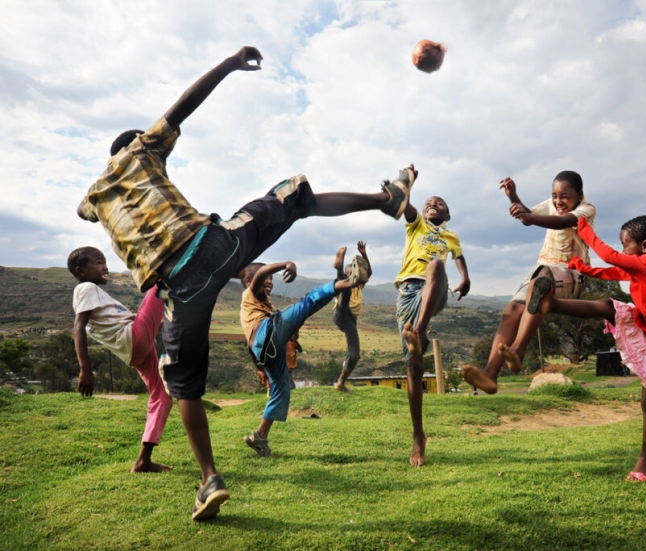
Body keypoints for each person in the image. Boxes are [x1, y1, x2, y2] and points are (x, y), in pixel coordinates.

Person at [76, 46, 415, 520]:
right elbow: (183, 106)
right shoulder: (142, 148)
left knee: (185, 387)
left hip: (175, 289)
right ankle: (387, 199)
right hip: (211, 247)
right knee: (292, 197)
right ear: (135, 144)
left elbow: (85, 210)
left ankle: (209, 478)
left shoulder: (93, 195)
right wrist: (231, 63)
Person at [542, 215, 646, 482]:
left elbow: (609, 258)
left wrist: (583, 227)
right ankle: (551, 303)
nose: (621, 250)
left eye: (625, 245)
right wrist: (582, 268)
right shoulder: (643, 264)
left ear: (644, 245)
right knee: (609, 306)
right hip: (644, 324)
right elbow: (613, 271)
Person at [462, 172, 595, 393]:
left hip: (572, 273)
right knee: (512, 308)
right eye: (554, 196)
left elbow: (562, 222)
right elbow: (529, 214)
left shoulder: (587, 209)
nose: (558, 201)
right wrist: (513, 197)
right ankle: (490, 375)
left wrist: (530, 219)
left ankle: (518, 350)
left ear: (579, 195)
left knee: (540, 284)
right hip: (541, 269)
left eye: (565, 196)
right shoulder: (552, 204)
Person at [240, 257, 368, 458]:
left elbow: (251, 343)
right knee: (309, 300)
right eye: (267, 278)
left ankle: (260, 437)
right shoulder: (250, 293)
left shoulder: (257, 307)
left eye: (272, 278)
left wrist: (260, 367)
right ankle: (351, 281)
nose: (270, 282)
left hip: (265, 350)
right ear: (249, 281)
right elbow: (259, 276)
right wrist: (287, 264)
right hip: (267, 334)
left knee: (281, 392)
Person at [68, 247, 173, 474]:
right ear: (81, 271)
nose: (105, 266)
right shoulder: (85, 288)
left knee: (162, 395)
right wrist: (85, 368)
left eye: (104, 261)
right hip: (134, 339)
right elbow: (78, 327)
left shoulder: (94, 291)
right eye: (98, 262)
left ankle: (143, 460)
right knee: (161, 281)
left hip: (135, 353)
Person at [395, 189, 471, 467]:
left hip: (434, 290)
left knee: (437, 265)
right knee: (413, 367)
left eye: (438, 203)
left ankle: (420, 331)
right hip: (407, 292)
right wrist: (407, 185)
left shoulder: (451, 236)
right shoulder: (415, 224)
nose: (431, 204)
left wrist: (465, 278)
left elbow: (459, 257)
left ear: (447, 215)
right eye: (428, 202)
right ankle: (418, 435)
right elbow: (405, 205)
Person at [332, 242, 372, 392]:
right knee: (345, 288)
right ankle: (338, 266)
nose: (357, 275)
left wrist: (364, 254)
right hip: (340, 313)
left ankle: (340, 383)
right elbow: (344, 282)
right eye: (353, 272)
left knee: (355, 354)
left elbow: (368, 274)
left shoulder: (360, 284)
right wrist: (340, 271)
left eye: (357, 273)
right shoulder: (341, 282)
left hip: (350, 320)